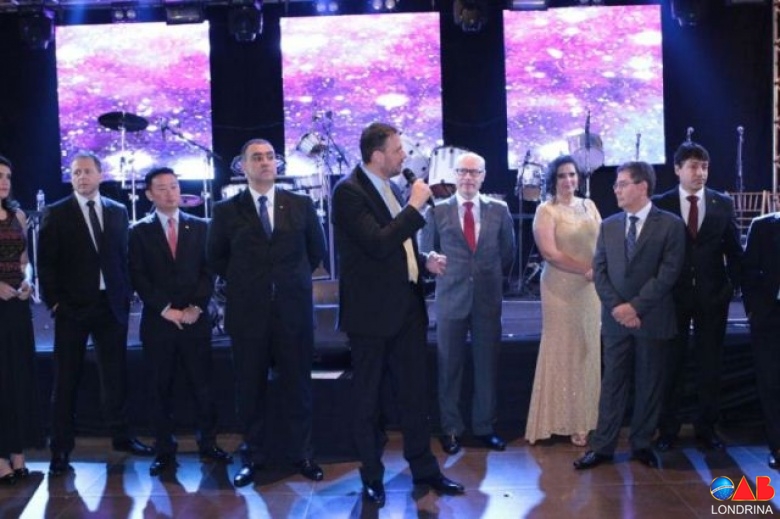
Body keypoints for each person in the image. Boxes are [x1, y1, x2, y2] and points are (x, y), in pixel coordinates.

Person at [331, 122, 464, 508]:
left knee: (414, 395)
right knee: (368, 400)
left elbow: (397, 246)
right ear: (377, 156)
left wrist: (424, 260)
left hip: (406, 308)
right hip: (370, 315)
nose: (404, 156)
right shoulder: (349, 192)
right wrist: (415, 205)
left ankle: (425, 469)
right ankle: (372, 475)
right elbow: (376, 243)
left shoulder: (389, 187)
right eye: (397, 150)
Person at [206, 138, 327, 488]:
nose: (264, 162)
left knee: (298, 386)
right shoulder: (226, 210)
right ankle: (254, 456)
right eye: (256, 157)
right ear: (243, 166)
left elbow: (316, 251)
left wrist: (288, 282)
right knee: (250, 388)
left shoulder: (300, 204)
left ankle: (302, 454)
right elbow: (215, 257)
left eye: (270, 157)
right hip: (248, 315)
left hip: (293, 312)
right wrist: (249, 283)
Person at [38, 151, 154, 477]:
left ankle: (122, 437)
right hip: (71, 309)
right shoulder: (56, 213)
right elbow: (45, 263)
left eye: (87, 171)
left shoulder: (118, 211)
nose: (82, 177)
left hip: (110, 306)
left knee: (115, 377)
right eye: (76, 172)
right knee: (66, 380)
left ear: (100, 175)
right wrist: (55, 303)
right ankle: (61, 448)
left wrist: (125, 293)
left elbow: (123, 257)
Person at [573, 161, 685, 471]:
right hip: (615, 320)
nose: (616, 190)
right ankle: (602, 447)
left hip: (653, 317)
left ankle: (642, 444)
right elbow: (600, 271)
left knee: (649, 383)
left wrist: (635, 307)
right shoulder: (609, 225)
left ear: (642, 187)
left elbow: (668, 273)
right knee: (612, 383)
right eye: (616, 185)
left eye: (622, 184)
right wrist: (618, 308)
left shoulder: (671, 225)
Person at [129, 167, 232, 476]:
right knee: (159, 388)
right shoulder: (138, 231)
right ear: (149, 194)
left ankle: (208, 443)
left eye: (174, 186)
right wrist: (165, 309)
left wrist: (195, 307)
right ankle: (164, 449)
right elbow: (138, 276)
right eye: (161, 188)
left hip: (194, 320)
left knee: (203, 386)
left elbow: (209, 270)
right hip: (158, 322)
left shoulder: (201, 226)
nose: (170, 193)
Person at [418, 151, 515, 455]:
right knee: (449, 367)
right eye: (463, 172)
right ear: (455, 175)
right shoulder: (437, 211)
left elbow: (508, 253)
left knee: (487, 366)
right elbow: (426, 253)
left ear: (483, 177)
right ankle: (450, 429)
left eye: (475, 172)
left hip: (487, 299)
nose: (469, 177)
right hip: (451, 300)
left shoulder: (499, 210)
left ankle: (484, 427)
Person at [652, 142, 742, 452]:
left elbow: (735, 251)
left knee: (710, 364)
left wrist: (731, 289)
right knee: (670, 364)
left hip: (712, 297)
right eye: (693, 166)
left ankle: (707, 427)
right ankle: (668, 428)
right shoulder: (661, 204)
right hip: (671, 298)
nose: (700, 172)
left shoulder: (722, 203)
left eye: (704, 167)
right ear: (677, 169)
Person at [524, 156, 601, 447]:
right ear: (553, 180)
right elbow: (550, 254)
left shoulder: (589, 205)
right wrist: (586, 269)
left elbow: (602, 243)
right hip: (561, 288)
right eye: (561, 176)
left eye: (572, 175)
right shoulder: (546, 210)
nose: (568, 180)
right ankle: (558, 420)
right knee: (563, 349)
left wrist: (600, 270)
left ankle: (585, 419)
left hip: (590, 290)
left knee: (587, 349)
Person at [0, 155, 44, 485]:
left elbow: (24, 260)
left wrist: (28, 280)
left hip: (16, 304)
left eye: (7, 176)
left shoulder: (17, 215)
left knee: (17, 378)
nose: (3, 182)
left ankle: (17, 453)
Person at [741, 212, 780, 469]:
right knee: (771, 383)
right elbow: (748, 272)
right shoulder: (762, 226)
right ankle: (777, 445)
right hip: (769, 318)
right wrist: (754, 311)